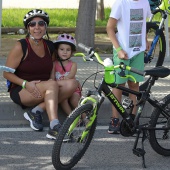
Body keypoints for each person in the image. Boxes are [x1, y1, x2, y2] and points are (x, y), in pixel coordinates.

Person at [3, 9, 78, 139]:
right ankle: (54, 127)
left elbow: (52, 67)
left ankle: (36, 111)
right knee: (52, 85)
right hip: (23, 90)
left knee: (72, 83)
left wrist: (52, 79)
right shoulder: (21, 46)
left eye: (41, 24)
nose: (37, 27)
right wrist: (26, 84)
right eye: (32, 24)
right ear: (28, 28)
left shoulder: (49, 46)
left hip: (46, 87)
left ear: (46, 27)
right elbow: (6, 74)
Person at [106, 0, 151, 134]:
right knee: (118, 85)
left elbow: (143, 23)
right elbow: (109, 27)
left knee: (134, 85)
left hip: (138, 51)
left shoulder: (145, 3)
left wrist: (145, 39)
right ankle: (115, 119)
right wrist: (118, 49)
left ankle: (132, 119)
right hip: (122, 51)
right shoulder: (121, 3)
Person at [51, 33, 81, 115]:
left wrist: (65, 78)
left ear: (71, 52)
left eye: (68, 50)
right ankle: (71, 117)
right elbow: (52, 78)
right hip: (62, 89)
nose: (65, 52)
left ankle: (84, 117)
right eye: (62, 49)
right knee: (63, 100)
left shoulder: (73, 64)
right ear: (57, 50)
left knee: (74, 100)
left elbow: (71, 76)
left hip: (73, 89)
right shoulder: (54, 64)